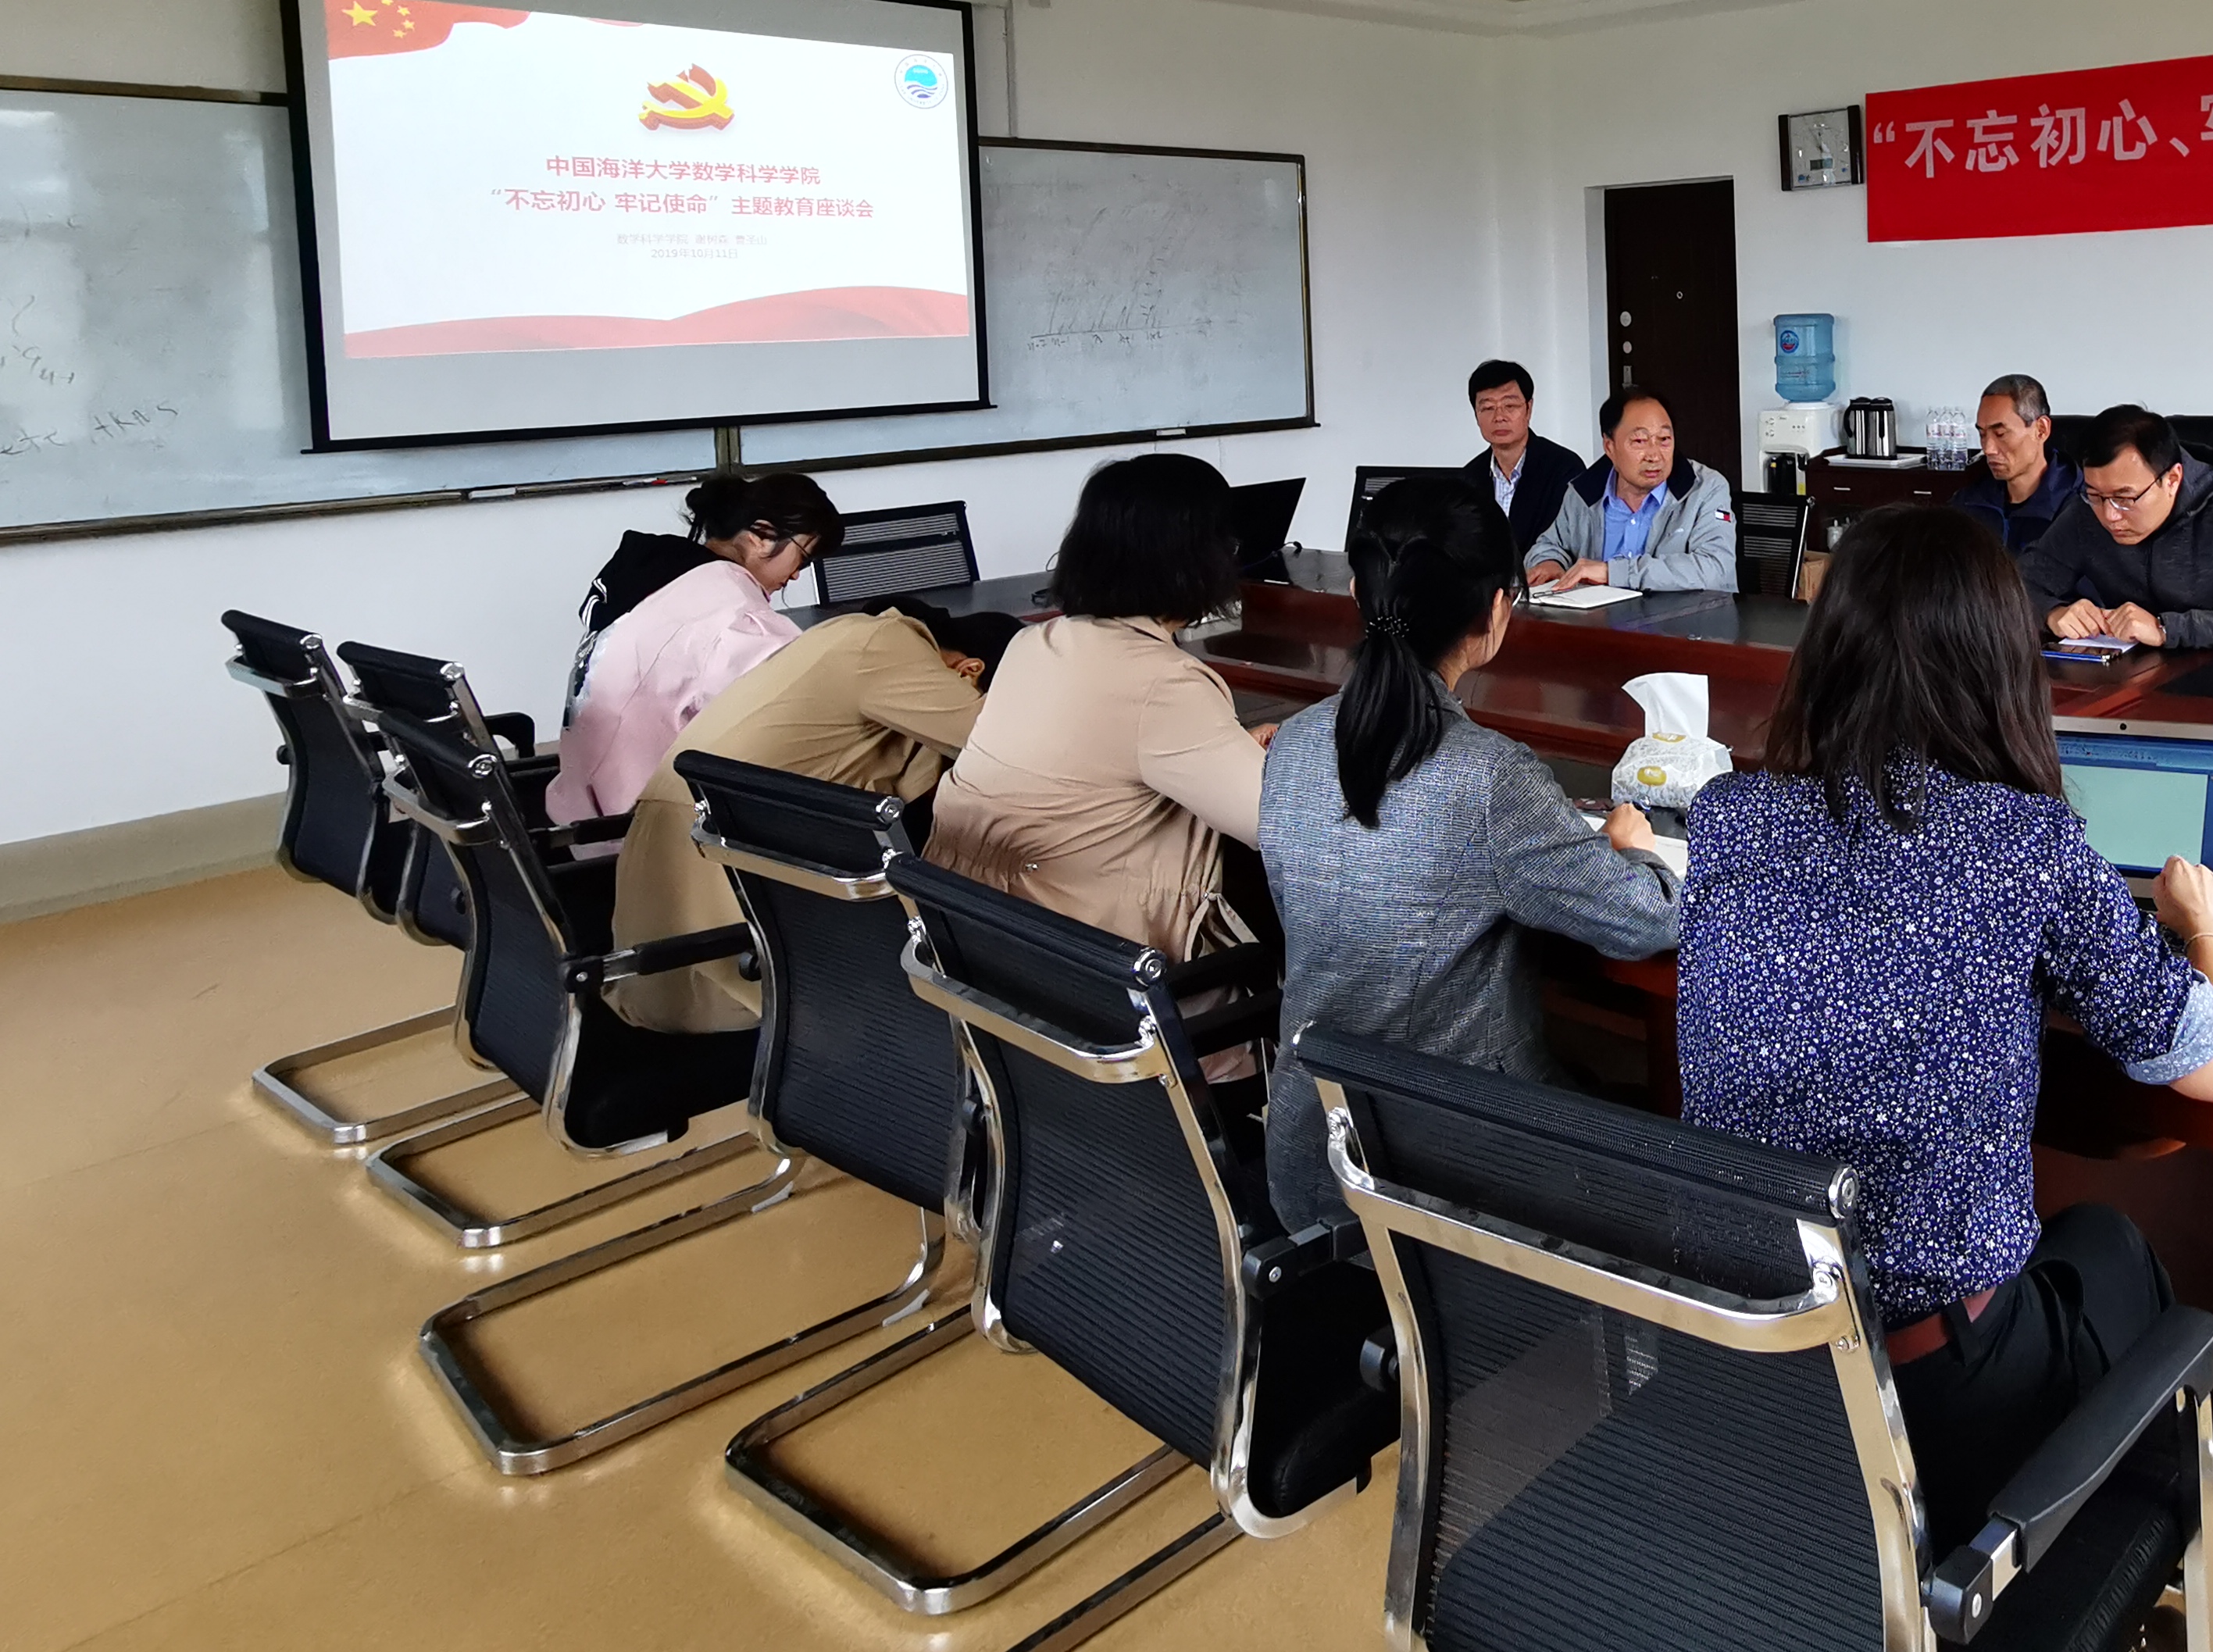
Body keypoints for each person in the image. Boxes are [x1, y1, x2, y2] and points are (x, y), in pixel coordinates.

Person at [1676, 505, 2213, 1546]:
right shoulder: (2025, 841)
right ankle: (2098, 1564)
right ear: (2000, 661)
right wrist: (2210, 929)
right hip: (1933, 1389)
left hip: (1747, 1359)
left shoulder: (1728, 815)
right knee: (2112, 1247)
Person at [1258, 481, 1682, 1229]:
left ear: (1357, 592)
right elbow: (1648, 922)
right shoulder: (1487, 776)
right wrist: (1634, 851)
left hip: (1311, 1154)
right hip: (1450, 1182)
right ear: (1496, 612)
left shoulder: (1292, 742)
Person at [605, 599, 1024, 1031]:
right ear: (969, 670)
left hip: (654, 959)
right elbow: (1008, 750)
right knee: (982, 974)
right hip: (736, 964)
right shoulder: (886, 646)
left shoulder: (840, 638)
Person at [926, 453, 1276, 959]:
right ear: (1202, 559)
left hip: (974, 938)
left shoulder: (1033, 643)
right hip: (1090, 962)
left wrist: (1225, 750)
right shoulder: (1165, 683)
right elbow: (1275, 826)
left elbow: (1101, 758)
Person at [546, 472, 844, 826]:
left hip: (576, 806)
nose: (796, 575)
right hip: (641, 829)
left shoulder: (660, 575)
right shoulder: (731, 615)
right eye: (804, 559)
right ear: (762, 535)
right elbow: (802, 716)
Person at [2018, 405, 2213, 649]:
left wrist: (2164, 628)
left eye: (2125, 498)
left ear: (2172, 480)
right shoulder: (2086, 511)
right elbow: (2015, 588)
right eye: (2095, 494)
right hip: (2129, 675)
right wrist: (2051, 613)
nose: (2110, 516)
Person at [1526, 390, 1739, 595]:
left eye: (1664, 439)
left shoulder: (1705, 489)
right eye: (1639, 441)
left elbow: (1715, 568)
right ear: (1609, 447)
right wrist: (1549, 562)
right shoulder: (1585, 492)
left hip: (1686, 619)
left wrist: (1613, 573)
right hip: (1599, 618)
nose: (1654, 456)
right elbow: (1550, 545)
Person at [1466, 358, 1585, 558]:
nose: (1499, 417)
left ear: (1528, 409)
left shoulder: (1564, 467)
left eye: (1510, 406)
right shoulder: (1469, 477)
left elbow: (1571, 542)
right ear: (1476, 415)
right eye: (1487, 408)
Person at [1951, 373, 2079, 556]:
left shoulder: (2079, 509)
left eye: (2001, 434)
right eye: (1982, 435)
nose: (1988, 449)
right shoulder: (1970, 500)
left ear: (2041, 430)